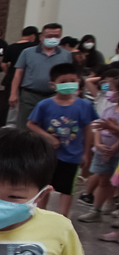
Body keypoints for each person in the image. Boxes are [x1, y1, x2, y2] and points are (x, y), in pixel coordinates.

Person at [26, 63, 98, 217]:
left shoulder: (84, 105)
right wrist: (48, 137)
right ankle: (40, 215)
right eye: (63, 81)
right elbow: (31, 124)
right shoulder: (44, 105)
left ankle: (63, 218)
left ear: (78, 81)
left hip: (72, 155)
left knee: (67, 189)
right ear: (53, 84)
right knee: (44, 186)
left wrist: (86, 153)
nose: (68, 84)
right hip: (47, 155)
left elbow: (88, 129)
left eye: (72, 80)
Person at [11, 23, 72, 130]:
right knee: (25, 126)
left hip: (54, 95)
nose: (53, 39)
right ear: (41, 37)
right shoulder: (27, 52)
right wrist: (13, 93)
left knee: (52, 126)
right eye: (49, 36)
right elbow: (18, 73)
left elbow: (68, 76)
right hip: (30, 94)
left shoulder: (65, 54)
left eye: (56, 36)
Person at [79, 67, 119, 224]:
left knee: (115, 182)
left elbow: (112, 129)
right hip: (102, 151)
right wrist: (98, 144)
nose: (110, 93)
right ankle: (96, 210)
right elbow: (99, 127)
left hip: (115, 152)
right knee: (103, 180)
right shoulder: (109, 109)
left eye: (113, 90)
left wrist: (113, 147)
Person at [0, 27, 38, 129]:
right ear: (33, 36)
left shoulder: (11, 47)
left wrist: (8, 72)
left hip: (11, 76)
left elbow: (3, 64)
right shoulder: (33, 48)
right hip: (27, 78)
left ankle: (1, 124)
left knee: (7, 101)